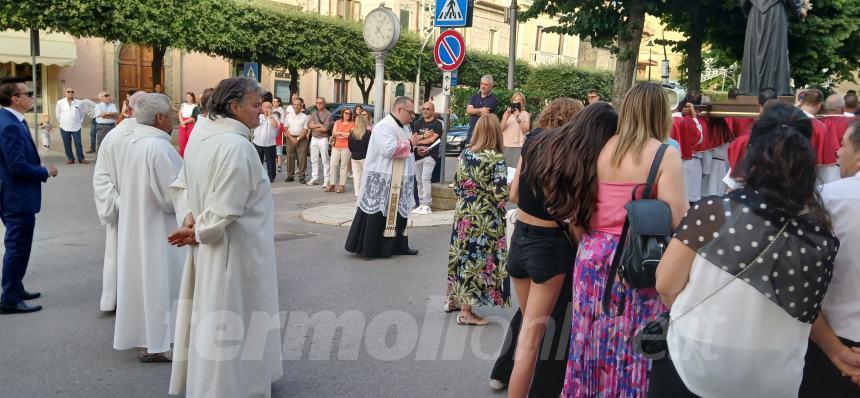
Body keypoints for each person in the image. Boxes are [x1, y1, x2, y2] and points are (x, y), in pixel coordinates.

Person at [652, 102, 839, 397]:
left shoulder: (712, 213)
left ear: (750, 154)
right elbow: (807, 310)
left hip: (697, 363)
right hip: (775, 375)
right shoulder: (820, 232)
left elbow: (665, 284)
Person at [563, 83, 688, 397]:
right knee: (631, 347)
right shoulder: (664, 154)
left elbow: (580, 204)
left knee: (587, 339)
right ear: (661, 113)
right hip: (634, 261)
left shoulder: (599, 148)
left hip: (590, 256)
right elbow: (679, 220)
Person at [166, 77, 282, 397]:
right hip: (236, 249)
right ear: (234, 107)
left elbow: (183, 185)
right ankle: (236, 386)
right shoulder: (236, 146)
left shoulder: (202, 136)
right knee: (236, 317)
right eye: (256, 106)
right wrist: (199, 230)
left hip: (214, 242)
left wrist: (189, 217)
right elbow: (228, 209)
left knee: (215, 315)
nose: (261, 113)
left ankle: (218, 381)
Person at [502, 103, 618, 397]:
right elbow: (578, 222)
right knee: (532, 340)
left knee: (531, 335)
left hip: (519, 241)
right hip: (549, 248)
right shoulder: (579, 158)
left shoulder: (536, 138)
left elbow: (514, 194)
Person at [112, 93, 185, 363]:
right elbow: (172, 197)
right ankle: (161, 343)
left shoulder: (133, 142)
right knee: (162, 284)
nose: (176, 117)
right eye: (171, 112)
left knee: (145, 284)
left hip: (139, 225)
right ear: (159, 118)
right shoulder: (159, 148)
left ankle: (149, 339)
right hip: (160, 229)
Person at [799, 120, 860, 397]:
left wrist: (836, 352)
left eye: (843, 144)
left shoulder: (827, 199)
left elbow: (798, 285)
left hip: (831, 343)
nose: (837, 152)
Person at [0, 77, 59, 314]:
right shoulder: (10, 124)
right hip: (16, 197)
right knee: (17, 246)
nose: (31, 97)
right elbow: (17, 167)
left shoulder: (11, 120)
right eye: (28, 93)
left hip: (14, 195)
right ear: (15, 99)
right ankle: (9, 298)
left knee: (20, 245)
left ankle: (15, 287)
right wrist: (45, 171)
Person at [446, 114, 510, 326]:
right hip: (484, 216)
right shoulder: (496, 159)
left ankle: (453, 299)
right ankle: (466, 312)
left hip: (463, 212)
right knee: (476, 260)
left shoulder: (465, 154)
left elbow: (456, 185)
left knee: (461, 254)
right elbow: (500, 193)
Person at [345, 96, 420, 258]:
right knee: (378, 213)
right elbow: (389, 150)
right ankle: (374, 248)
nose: (412, 116)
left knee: (399, 213)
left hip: (400, 178)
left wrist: (416, 149)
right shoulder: (384, 126)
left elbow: (406, 149)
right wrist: (410, 143)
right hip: (384, 178)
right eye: (410, 112)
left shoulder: (405, 127)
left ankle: (398, 245)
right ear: (400, 110)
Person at [93, 91, 147, 312]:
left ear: (128, 108)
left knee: (118, 252)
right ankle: (140, 300)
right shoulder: (151, 138)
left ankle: (114, 298)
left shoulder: (112, 137)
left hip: (120, 208)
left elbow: (101, 177)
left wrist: (117, 201)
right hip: (147, 209)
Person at [739, 0, 806, 95]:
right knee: (775, 49)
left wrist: (748, 11)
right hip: (775, 13)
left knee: (754, 49)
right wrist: (800, 10)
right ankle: (776, 89)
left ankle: (750, 89)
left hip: (755, 14)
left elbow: (744, 3)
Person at [725, 87, 779, 189]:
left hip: (748, 198)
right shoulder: (789, 139)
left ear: (757, 103)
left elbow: (733, 185)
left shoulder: (744, 141)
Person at [800, 89, 841, 184]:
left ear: (801, 102)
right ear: (819, 105)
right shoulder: (819, 128)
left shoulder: (784, 119)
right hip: (806, 177)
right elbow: (825, 163)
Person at [411, 101, 442, 215]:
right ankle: (421, 203)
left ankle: (427, 205)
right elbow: (413, 138)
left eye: (428, 109)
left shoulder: (437, 124)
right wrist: (422, 137)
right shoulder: (418, 123)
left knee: (425, 178)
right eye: (423, 109)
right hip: (417, 155)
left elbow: (431, 140)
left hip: (430, 155)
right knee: (419, 180)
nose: (425, 111)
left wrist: (419, 140)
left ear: (433, 111)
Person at [55, 87, 89, 164]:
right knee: (67, 143)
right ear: (65, 93)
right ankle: (70, 158)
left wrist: (79, 122)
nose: (70, 93)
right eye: (68, 91)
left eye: (72, 92)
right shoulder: (60, 102)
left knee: (78, 143)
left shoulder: (79, 102)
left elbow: (82, 113)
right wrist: (61, 121)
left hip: (76, 126)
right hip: (64, 126)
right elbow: (57, 113)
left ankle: (81, 158)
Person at [327, 107, 354, 193]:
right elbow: (334, 133)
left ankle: (342, 185)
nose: (348, 115)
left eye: (349, 113)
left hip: (346, 146)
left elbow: (350, 135)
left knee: (344, 165)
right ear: (343, 113)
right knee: (333, 164)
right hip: (336, 146)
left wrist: (340, 133)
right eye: (346, 113)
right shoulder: (337, 122)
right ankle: (332, 184)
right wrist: (342, 134)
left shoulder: (353, 124)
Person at [500, 92, 531, 167]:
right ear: (512, 101)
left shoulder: (525, 114)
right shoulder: (508, 114)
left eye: (519, 100)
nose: (517, 102)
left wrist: (518, 119)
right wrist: (505, 117)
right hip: (505, 145)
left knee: (514, 169)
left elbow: (525, 130)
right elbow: (501, 129)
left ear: (523, 103)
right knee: (504, 169)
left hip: (517, 146)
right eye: (515, 100)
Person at [466, 75, 498, 144]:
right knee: (469, 151)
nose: (483, 86)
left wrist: (474, 111)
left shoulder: (493, 99)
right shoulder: (474, 96)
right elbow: (468, 110)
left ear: (491, 87)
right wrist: (480, 110)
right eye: (482, 84)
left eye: (486, 85)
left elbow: (485, 113)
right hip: (472, 131)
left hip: (484, 133)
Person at [307, 97, 333, 186]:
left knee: (325, 159)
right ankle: (315, 178)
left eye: (321, 103)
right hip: (314, 138)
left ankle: (327, 180)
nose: (319, 104)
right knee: (313, 159)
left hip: (323, 139)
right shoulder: (314, 113)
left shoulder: (328, 114)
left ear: (324, 103)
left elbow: (325, 129)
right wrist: (319, 126)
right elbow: (309, 125)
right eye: (317, 103)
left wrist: (315, 125)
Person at [284, 97, 310, 183]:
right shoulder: (288, 116)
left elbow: (305, 129)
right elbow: (285, 128)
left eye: (298, 105)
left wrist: (298, 139)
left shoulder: (305, 116)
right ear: (292, 105)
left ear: (301, 105)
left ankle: (302, 176)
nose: (296, 106)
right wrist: (292, 138)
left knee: (302, 158)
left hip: (301, 139)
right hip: (290, 138)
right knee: (290, 157)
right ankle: (290, 176)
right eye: (295, 104)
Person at [253, 101, 279, 183]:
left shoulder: (274, 116)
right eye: (266, 107)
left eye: (269, 107)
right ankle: (257, 176)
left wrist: (270, 117)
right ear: (262, 108)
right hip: (258, 142)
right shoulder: (258, 116)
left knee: (270, 161)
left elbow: (276, 126)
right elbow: (253, 125)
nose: (267, 109)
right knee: (258, 161)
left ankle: (271, 176)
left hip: (270, 143)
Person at [348, 114, 371, 198]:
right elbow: (369, 146)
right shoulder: (367, 133)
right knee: (365, 175)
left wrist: (354, 152)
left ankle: (357, 192)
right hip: (364, 156)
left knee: (356, 176)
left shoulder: (351, 133)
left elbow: (350, 146)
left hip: (354, 157)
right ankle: (364, 191)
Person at [178, 92, 199, 158]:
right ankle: (182, 157)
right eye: (187, 97)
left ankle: (190, 158)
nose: (188, 98)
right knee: (182, 141)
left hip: (190, 124)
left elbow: (193, 118)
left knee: (190, 142)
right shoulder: (183, 104)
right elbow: (180, 114)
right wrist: (181, 122)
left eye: (189, 97)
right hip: (182, 124)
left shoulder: (195, 106)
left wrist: (184, 122)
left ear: (193, 97)